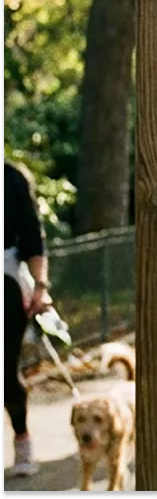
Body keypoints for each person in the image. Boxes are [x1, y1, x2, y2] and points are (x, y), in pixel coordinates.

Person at [3, 160, 50, 477]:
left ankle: (22, 439)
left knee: (6, 372)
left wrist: (41, 287)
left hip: (7, 282)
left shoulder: (13, 179)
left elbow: (33, 239)